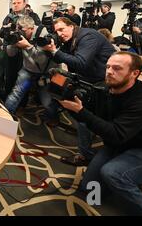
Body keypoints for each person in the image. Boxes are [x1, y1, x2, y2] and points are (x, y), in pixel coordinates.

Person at [59, 52, 142, 216]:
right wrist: (69, 105)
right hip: (119, 144)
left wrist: (82, 112)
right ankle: (127, 177)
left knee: (112, 173)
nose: (109, 71)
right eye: (108, 67)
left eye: (117, 68)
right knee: (91, 192)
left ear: (134, 73)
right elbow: (92, 119)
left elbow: (115, 134)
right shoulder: (105, 89)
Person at [42, 17, 116, 165]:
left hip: (102, 81)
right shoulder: (70, 39)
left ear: (72, 26)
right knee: (55, 81)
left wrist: (55, 51)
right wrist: (48, 50)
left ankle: (85, 155)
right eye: (57, 31)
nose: (60, 34)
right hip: (86, 77)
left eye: (62, 29)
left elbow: (81, 62)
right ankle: (58, 114)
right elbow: (59, 58)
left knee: (83, 116)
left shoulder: (88, 36)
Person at [4, 16, 60, 123]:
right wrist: (12, 43)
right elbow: (11, 54)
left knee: (47, 101)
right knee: (16, 93)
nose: (22, 33)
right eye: (19, 30)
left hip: (46, 73)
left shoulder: (44, 36)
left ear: (31, 28)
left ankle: (53, 119)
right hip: (28, 70)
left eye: (23, 31)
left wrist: (28, 46)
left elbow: (41, 60)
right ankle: (4, 117)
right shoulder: (21, 34)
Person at [0, 0, 27, 99]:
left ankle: (23, 103)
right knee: (9, 75)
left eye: (18, 3)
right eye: (14, 3)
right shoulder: (8, 17)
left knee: (22, 78)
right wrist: (6, 30)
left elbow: (33, 34)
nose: (16, 5)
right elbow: (1, 34)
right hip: (9, 50)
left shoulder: (31, 17)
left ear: (24, 4)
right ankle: (7, 98)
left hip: (24, 51)